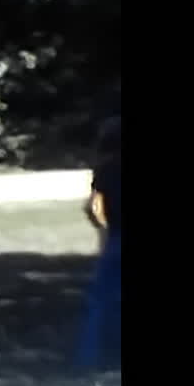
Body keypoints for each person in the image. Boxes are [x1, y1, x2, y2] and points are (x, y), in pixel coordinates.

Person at [77, 116, 121, 371]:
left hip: (116, 237)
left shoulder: (104, 169)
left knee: (101, 302)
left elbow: (90, 207)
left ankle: (90, 357)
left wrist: (101, 229)